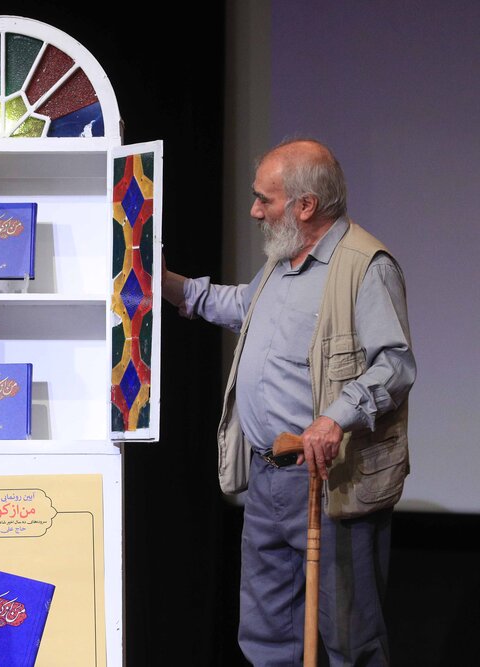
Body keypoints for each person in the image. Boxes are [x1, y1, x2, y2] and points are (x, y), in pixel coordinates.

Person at [162, 139, 414, 665]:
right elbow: (240, 305)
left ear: (305, 205)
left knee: (350, 640)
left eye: (265, 199)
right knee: (267, 636)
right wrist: (166, 285)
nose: (255, 211)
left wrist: (334, 418)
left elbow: (394, 365)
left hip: (330, 480)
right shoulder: (283, 262)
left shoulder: (365, 265)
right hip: (268, 479)